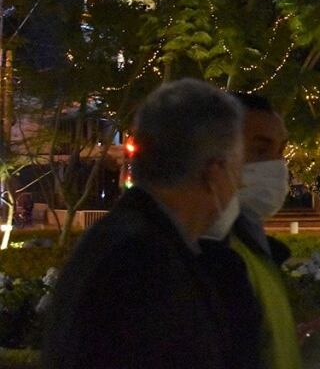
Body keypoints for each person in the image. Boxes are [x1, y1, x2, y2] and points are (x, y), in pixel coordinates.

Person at [43, 79, 244, 369]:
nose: (241, 183)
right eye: (238, 168)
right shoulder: (147, 263)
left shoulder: (118, 239)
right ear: (214, 172)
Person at [199, 92, 302, 369]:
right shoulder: (189, 249)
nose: (277, 166)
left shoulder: (249, 244)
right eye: (259, 150)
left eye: (280, 152)